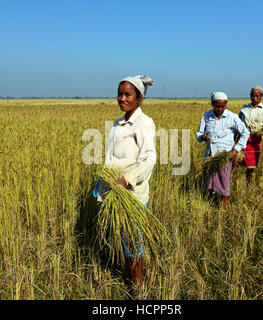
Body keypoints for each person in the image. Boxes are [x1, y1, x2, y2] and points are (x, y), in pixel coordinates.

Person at [94, 75, 156, 292]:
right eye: (119, 94)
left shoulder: (144, 123)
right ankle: (129, 279)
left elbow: (149, 159)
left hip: (132, 194)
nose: (122, 98)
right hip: (113, 191)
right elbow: (112, 158)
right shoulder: (118, 124)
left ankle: (136, 290)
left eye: (127, 94)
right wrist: (104, 183)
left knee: (133, 244)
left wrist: (127, 180)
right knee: (121, 240)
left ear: (139, 98)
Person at [196, 92, 249, 210]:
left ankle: (223, 206)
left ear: (226, 105)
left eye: (223, 106)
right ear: (212, 104)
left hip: (225, 155)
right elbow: (199, 133)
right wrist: (202, 137)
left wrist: (236, 149)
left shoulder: (232, 117)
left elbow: (245, 133)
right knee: (210, 179)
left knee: (224, 179)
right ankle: (212, 201)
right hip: (211, 154)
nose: (220, 109)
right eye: (217, 106)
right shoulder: (206, 116)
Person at [238, 85, 263, 184]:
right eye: (253, 96)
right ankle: (233, 179)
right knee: (237, 160)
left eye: (257, 96)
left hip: (255, 140)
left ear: (261, 96)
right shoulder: (244, 108)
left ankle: (248, 183)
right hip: (243, 137)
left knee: (251, 164)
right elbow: (239, 122)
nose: (254, 98)